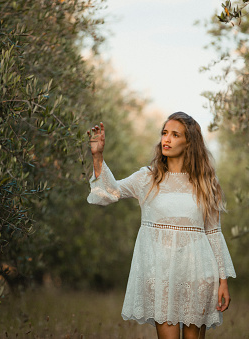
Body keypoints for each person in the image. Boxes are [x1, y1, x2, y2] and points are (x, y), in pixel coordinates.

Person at [86, 112, 236, 339]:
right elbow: (108, 193)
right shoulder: (146, 178)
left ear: (189, 142)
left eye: (175, 135)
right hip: (160, 276)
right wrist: (98, 157)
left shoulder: (206, 183)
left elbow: (213, 233)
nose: (166, 139)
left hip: (198, 275)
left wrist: (222, 281)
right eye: (165, 133)